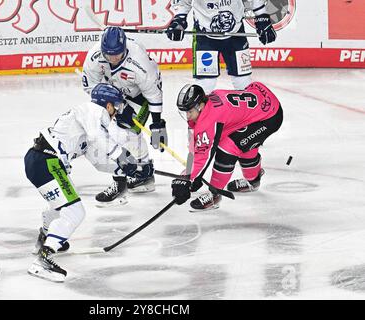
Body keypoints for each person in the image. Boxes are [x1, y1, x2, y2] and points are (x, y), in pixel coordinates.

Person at [24, 83, 147, 282]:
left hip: (38, 160)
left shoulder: (88, 122)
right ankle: (44, 260)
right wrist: (124, 157)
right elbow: (99, 138)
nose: (115, 112)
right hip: (47, 162)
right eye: (115, 106)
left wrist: (127, 169)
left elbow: (98, 160)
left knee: (59, 208)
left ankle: (45, 239)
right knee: (75, 211)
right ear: (107, 105)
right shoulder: (93, 111)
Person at [82, 26, 167, 205]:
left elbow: (153, 94)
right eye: (108, 55)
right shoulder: (94, 57)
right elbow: (91, 87)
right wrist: (115, 106)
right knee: (107, 131)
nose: (113, 59)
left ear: (125, 48)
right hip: (113, 93)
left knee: (127, 132)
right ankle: (138, 170)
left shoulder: (140, 63)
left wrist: (157, 124)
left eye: (117, 55)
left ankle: (143, 173)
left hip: (139, 96)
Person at [171, 81, 283, 211]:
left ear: (200, 106)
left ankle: (215, 194)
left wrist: (186, 177)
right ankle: (253, 180)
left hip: (269, 116)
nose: (188, 116)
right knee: (242, 143)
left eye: (189, 111)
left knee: (227, 149)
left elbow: (203, 155)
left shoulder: (208, 119)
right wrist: (191, 176)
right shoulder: (207, 102)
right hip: (261, 99)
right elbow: (196, 147)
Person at [166, 0, 276, 93]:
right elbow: (183, 2)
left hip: (235, 34)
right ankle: (203, 117)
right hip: (205, 34)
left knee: (243, 82)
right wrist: (179, 21)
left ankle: (246, 116)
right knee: (205, 84)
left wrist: (262, 17)